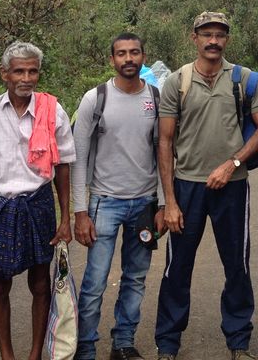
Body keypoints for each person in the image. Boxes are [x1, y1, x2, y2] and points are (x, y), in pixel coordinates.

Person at [154, 11, 258, 360]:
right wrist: (169, 201)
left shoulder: (243, 79)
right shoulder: (177, 82)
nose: (213, 41)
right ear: (195, 38)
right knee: (177, 266)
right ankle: (167, 343)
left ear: (227, 39)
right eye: (207, 34)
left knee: (237, 265)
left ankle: (238, 341)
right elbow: (165, 141)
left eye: (220, 35)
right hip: (187, 186)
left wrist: (233, 163)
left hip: (232, 186)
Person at [0, 41, 76, 360]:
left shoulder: (51, 111)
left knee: (40, 283)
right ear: (4, 74)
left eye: (32, 71)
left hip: (37, 203)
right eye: (19, 71)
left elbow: (63, 167)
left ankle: (34, 354)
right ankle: (7, 355)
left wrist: (65, 217)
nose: (26, 78)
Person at [72, 33, 163, 360]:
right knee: (95, 282)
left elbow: (163, 153)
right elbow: (78, 157)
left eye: (134, 52)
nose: (128, 59)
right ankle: (85, 349)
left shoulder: (155, 97)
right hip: (104, 203)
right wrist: (80, 211)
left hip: (145, 203)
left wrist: (163, 203)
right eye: (121, 53)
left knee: (135, 279)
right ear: (112, 59)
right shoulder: (95, 98)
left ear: (143, 56)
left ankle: (123, 343)